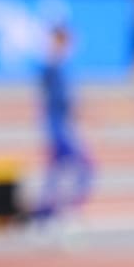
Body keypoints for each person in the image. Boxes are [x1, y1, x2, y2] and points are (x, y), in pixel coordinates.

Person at [31, 23, 93, 222]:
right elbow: (61, 100)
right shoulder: (54, 66)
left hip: (58, 127)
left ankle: (45, 212)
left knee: (56, 170)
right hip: (59, 129)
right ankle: (66, 210)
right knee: (85, 167)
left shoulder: (59, 65)